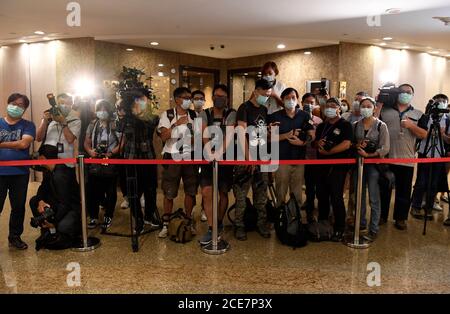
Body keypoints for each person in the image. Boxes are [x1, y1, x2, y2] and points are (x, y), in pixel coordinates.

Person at [378, 83, 427, 230]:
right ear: (397, 93)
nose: (405, 94)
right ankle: (381, 216)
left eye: (408, 92)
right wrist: (378, 105)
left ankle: (400, 218)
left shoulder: (419, 114)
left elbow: (424, 135)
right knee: (384, 189)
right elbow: (374, 126)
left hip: (406, 159)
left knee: (404, 191)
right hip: (386, 157)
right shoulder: (385, 111)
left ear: (412, 95)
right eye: (402, 91)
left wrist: (412, 126)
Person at [233, 79, 273, 241]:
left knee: (261, 194)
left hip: (262, 157)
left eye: (269, 95)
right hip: (245, 158)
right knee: (241, 195)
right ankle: (239, 225)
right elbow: (242, 134)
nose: (266, 98)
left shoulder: (264, 109)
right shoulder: (244, 108)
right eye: (264, 94)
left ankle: (261, 223)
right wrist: (249, 158)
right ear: (256, 91)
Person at [157, 87, 199, 238]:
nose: (189, 100)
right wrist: (176, 124)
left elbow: (198, 138)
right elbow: (163, 136)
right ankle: (166, 223)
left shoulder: (194, 115)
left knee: (191, 190)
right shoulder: (167, 115)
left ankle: (188, 221)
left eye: (190, 97)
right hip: (172, 155)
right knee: (169, 191)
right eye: (185, 97)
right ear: (177, 99)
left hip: (190, 155)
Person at [198, 84, 236, 245]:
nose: (219, 99)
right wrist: (209, 151)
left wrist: (219, 153)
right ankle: (211, 228)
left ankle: (219, 222)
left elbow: (229, 135)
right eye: (216, 96)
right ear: (212, 97)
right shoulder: (204, 113)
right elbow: (204, 133)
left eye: (222, 96)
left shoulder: (231, 113)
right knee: (207, 192)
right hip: (207, 158)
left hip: (226, 158)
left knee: (223, 193)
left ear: (226, 99)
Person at [120, 90, 160, 234]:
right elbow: (122, 129)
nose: (143, 102)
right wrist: (130, 113)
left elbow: (148, 125)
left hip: (148, 157)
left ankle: (150, 215)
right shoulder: (126, 119)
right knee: (134, 191)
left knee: (151, 189)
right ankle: (138, 219)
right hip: (131, 158)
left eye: (144, 100)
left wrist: (138, 114)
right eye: (139, 100)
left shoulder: (153, 117)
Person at [269, 88, 315, 209]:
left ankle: (295, 222)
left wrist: (303, 143)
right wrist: (286, 135)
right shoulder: (275, 116)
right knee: (280, 194)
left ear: (297, 99)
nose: (291, 100)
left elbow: (312, 135)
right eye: (287, 98)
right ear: (282, 100)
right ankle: (280, 220)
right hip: (282, 161)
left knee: (297, 194)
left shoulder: (304, 116)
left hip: (299, 160)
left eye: (293, 97)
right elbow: (269, 139)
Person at [0, 93, 36, 250]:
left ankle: (15, 236)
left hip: (20, 173)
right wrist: (14, 143)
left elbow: (24, 144)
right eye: (13, 103)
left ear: (24, 109)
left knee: (18, 206)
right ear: (8, 104)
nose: (16, 107)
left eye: (20, 105)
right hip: (0, 173)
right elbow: (19, 143)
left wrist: (1, 144)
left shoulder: (28, 125)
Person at [352, 97, 390, 241]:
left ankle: (373, 228)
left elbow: (385, 148)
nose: (366, 109)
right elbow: (352, 143)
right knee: (359, 196)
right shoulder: (355, 125)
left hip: (374, 166)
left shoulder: (381, 126)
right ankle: (360, 224)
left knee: (374, 198)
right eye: (363, 106)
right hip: (358, 165)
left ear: (374, 108)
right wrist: (357, 146)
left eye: (369, 106)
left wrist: (370, 154)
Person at [315, 97, 353, 241]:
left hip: (338, 167)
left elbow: (346, 144)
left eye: (333, 106)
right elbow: (316, 143)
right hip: (321, 166)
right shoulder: (321, 126)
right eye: (327, 106)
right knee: (322, 195)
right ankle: (323, 223)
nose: (329, 108)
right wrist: (318, 143)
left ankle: (339, 227)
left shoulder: (345, 125)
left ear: (339, 108)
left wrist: (329, 152)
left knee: (336, 197)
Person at [411, 94, 449, 221]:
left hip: (440, 155)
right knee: (421, 181)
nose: (441, 103)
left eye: (444, 101)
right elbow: (419, 135)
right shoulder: (426, 118)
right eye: (439, 101)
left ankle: (428, 207)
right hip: (425, 152)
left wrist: (442, 135)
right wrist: (428, 134)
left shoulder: (448, 120)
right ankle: (415, 206)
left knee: (433, 183)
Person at [84, 100, 121, 229]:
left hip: (110, 161)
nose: (102, 112)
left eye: (105, 109)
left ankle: (108, 216)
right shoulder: (93, 124)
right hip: (95, 162)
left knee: (110, 191)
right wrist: (90, 151)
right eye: (100, 109)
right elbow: (86, 142)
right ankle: (93, 216)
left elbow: (122, 143)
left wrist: (111, 153)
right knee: (92, 190)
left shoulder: (115, 124)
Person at [301, 93, 323, 222]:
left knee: (314, 183)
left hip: (315, 157)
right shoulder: (298, 118)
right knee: (305, 184)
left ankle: (313, 207)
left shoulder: (318, 120)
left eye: (312, 102)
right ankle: (308, 204)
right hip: (300, 156)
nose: (309, 105)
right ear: (302, 102)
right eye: (307, 102)